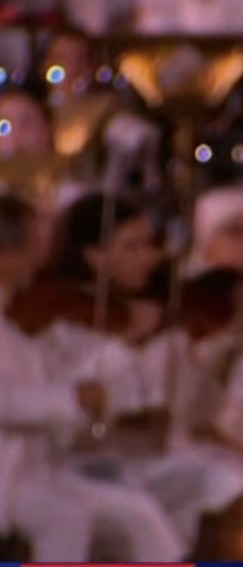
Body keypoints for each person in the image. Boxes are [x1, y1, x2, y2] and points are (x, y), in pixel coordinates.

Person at [0, 194, 185, 562]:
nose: (40, 259)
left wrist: (83, 400)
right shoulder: (33, 329)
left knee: (140, 516)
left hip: (38, 473)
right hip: (11, 479)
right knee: (66, 517)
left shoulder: (16, 336)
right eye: (32, 246)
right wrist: (73, 398)